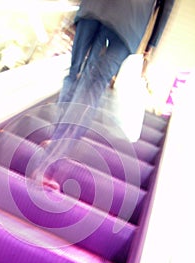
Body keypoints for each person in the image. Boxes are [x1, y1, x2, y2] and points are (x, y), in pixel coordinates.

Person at [30, 0, 175, 188]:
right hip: (129, 23)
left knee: (75, 74)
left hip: (94, 7)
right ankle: (48, 164)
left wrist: (69, 16)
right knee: (93, 88)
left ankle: (56, 140)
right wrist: (150, 47)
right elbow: (166, 6)